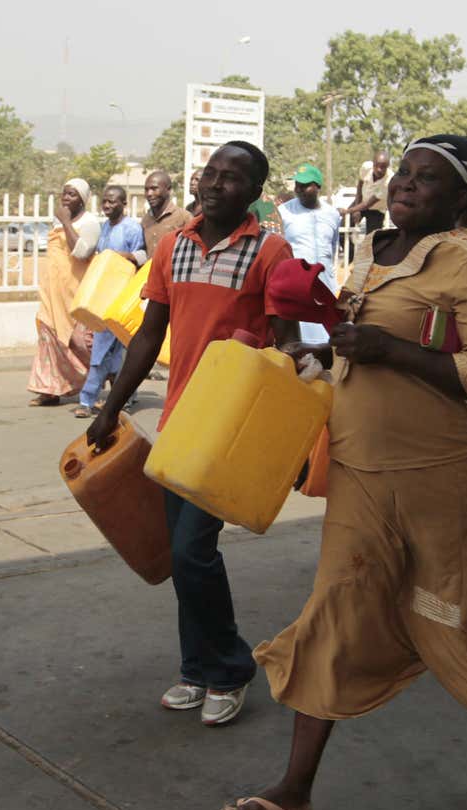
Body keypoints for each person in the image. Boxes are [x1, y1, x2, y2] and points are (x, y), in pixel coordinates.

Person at [213, 135, 467, 810]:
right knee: (340, 602)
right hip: (363, 469)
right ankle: (295, 792)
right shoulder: (374, 252)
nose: (407, 186)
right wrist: (317, 352)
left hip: (449, 476)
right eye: (403, 173)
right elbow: (363, 343)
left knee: (460, 602)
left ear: (464, 201)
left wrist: (390, 350)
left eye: (429, 180)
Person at [85, 141, 298, 727]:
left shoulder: (271, 251)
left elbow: (290, 346)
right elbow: (150, 335)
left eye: (232, 179)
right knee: (184, 554)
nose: (214, 184)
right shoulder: (174, 247)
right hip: (180, 420)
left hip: (232, 428)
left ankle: (229, 667)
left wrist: (295, 441)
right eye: (210, 174)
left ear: (254, 193)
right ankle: (196, 668)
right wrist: (111, 406)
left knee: (190, 549)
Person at [27, 178, 101, 406]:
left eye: (72, 194)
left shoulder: (89, 223)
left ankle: (100, 386)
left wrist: (67, 222)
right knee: (48, 337)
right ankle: (50, 390)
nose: (66, 198)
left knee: (79, 342)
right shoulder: (56, 222)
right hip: (53, 293)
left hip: (77, 295)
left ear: (83, 199)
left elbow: (81, 253)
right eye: (65, 193)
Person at [73, 185, 144, 417]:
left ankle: (121, 397)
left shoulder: (132, 228)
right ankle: (88, 401)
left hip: (124, 298)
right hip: (104, 297)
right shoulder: (104, 228)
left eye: (112, 202)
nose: (107, 206)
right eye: (104, 201)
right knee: (102, 349)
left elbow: (141, 256)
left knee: (122, 352)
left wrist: (118, 257)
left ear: (123, 203)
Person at [278, 163, 343, 344]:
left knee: (327, 341)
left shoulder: (332, 214)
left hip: (325, 286)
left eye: (305, 185)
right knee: (301, 341)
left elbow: (332, 247)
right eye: (297, 184)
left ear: (318, 187)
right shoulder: (285, 212)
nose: (299, 189)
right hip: (298, 288)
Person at [141, 170, 191, 260]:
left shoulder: (184, 217)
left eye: (154, 189)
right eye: (146, 189)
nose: (149, 194)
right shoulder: (145, 219)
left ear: (169, 190)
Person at [343, 151, 390, 235]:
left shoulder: (388, 181)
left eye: (383, 167)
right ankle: (350, 248)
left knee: (371, 239)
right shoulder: (366, 167)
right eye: (376, 166)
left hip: (376, 211)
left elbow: (368, 204)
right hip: (360, 202)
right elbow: (360, 186)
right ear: (373, 164)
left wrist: (347, 211)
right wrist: (356, 210)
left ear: (387, 166)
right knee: (343, 227)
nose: (379, 169)